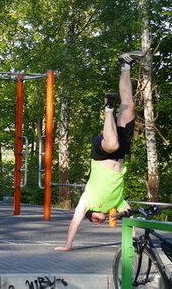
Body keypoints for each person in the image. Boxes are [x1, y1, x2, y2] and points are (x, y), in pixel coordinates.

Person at [55, 51, 143, 251]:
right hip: (120, 153)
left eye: (94, 221)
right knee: (129, 107)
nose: (98, 222)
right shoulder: (117, 202)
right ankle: (125, 64)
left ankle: (108, 107)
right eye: (98, 223)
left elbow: (75, 221)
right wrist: (136, 242)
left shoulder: (87, 200)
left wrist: (68, 245)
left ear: (91, 213)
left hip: (101, 153)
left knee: (111, 143)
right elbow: (130, 220)